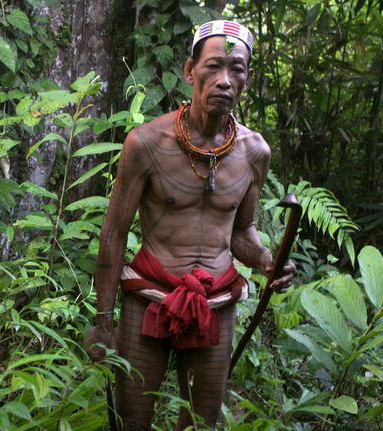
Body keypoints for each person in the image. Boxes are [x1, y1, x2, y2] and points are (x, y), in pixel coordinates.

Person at [86, 21, 295, 430]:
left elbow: (241, 232)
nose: (224, 80)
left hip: (216, 301)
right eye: (213, 66)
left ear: (247, 79)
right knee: (132, 419)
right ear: (189, 70)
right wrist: (102, 320)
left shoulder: (254, 152)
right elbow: (113, 233)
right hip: (149, 295)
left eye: (236, 69)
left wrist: (268, 261)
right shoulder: (146, 143)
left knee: (201, 422)